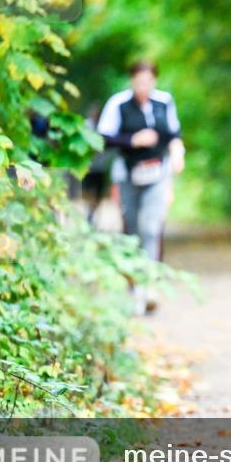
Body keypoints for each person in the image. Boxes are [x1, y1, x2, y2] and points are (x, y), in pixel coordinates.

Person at [97, 60, 186, 314]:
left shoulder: (164, 102)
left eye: (148, 81)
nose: (143, 86)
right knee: (132, 230)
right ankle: (134, 287)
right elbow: (103, 138)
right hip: (128, 174)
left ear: (154, 81)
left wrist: (178, 153)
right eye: (138, 82)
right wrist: (132, 140)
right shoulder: (118, 104)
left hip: (158, 173)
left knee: (151, 227)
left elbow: (174, 134)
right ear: (132, 81)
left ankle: (150, 285)